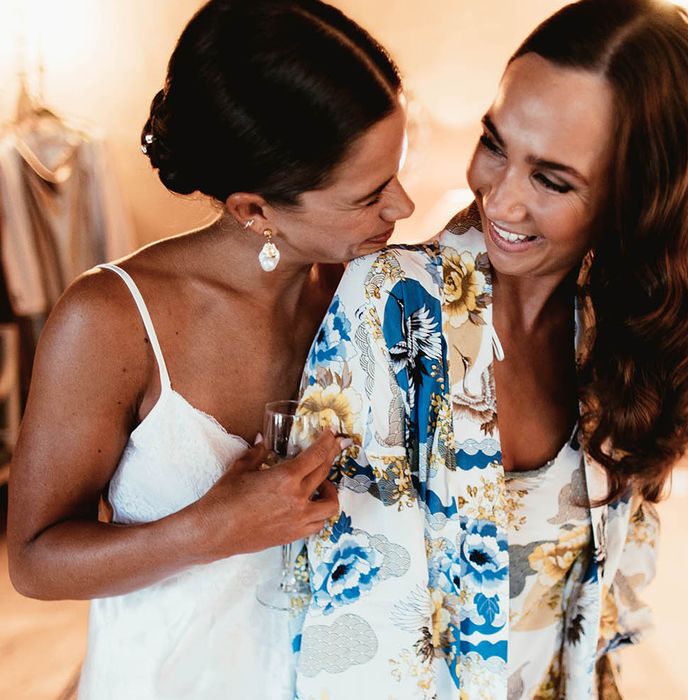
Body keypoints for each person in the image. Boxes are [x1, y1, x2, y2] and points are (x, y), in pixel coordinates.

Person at [293, 0, 688, 697]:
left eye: (551, 180)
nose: (500, 201)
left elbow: (601, 597)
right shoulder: (390, 303)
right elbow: (329, 592)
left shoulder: (632, 329)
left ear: (635, 196)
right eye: (495, 144)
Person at [7, 1, 413, 698]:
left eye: (399, 172)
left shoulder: (372, 296)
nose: (402, 206)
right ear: (254, 209)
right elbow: (34, 562)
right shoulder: (111, 320)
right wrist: (209, 528)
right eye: (368, 194)